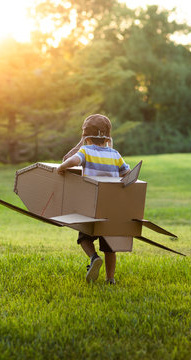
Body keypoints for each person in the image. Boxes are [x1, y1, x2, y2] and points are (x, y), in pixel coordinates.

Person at [58, 114, 130, 284]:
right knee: (110, 247)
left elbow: (72, 160)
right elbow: (127, 174)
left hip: (90, 207)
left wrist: (61, 167)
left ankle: (93, 257)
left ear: (86, 138)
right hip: (112, 209)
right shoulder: (115, 154)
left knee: (84, 237)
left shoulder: (85, 151)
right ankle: (110, 278)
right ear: (107, 138)